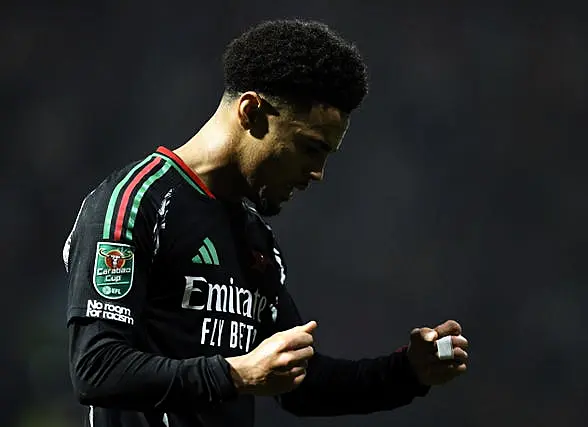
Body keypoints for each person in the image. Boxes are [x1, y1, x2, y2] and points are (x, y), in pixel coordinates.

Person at [63, 19, 469, 427]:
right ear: (252, 112)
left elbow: (301, 383)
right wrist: (237, 374)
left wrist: (407, 373)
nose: (318, 173)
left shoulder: (255, 236)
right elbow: (97, 368)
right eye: (310, 148)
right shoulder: (134, 203)